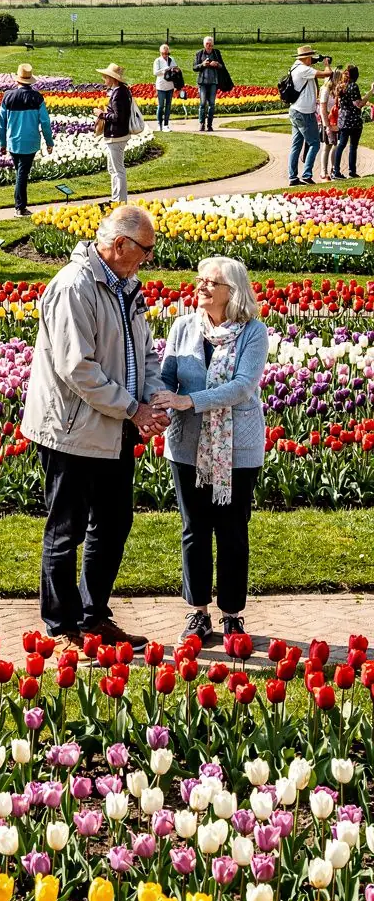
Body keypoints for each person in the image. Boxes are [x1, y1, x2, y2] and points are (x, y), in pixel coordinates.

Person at [21, 205, 168, 647]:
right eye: (145, 249)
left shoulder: (126, 287)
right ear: (120, 244)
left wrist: (154, 398)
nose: (148, 258)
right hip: (72, 429)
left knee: (113, 524)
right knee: (66, 530)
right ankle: (62, 624)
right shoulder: (74, 286)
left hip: (115, 426)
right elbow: (78, 369)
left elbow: (145, 353)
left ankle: (92, 616)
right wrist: (133, 409)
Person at [152, 256, 269, 643]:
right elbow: (166, 376)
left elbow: (242, 386)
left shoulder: (253, 332)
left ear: (232, 292)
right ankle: (198, 612)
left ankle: (232, 614)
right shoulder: (183, 326)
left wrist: (190, 401)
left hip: (236, 447)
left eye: (210, 282)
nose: (200, 286)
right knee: (194, 530)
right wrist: (159, 403)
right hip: (186, 445)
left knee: (232, 531)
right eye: (199, 280)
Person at [0, 62, 54, 217]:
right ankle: (20, 207)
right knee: (22, 174)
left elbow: (1, 123)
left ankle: (20, 205)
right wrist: (49, 142)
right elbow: (45, 122)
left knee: (20, 172)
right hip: (30, 142)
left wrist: (2, 143)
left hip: (13, 142)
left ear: (18, 80)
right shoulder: (37, 98)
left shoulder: (8, 96)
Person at [286, 45, 332, 186]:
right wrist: (327, 64)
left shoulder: (295, 66)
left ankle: (293, 177)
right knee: (314, 144)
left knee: (296, 146)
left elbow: (310, 65)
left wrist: (317, 60)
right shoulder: (304, 70)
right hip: (304, 113)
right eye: (310, 57)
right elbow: (327, 74)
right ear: (306, 58)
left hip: (295, 110)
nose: (312, 59)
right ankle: (307, 174)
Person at [95, 62, 132, 204]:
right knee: (113, 169)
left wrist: (101, 114)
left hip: (116, 136)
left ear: (113, 79)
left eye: (106, 77)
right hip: (117, 135)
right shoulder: (121, 91)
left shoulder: (118, 93)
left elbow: (117, 117)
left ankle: (120, 200)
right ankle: (116, 198)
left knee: (117, 170)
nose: (104, 79)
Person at [333, 64, 373, 180]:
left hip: (343, 120)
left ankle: (336, 170)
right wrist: (371, 91)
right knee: (353, 146)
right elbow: (359, 104)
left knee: (341, 145)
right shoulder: (353, 86)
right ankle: (351, 170)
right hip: (353, 121)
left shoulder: (342, 86)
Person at [193, 37, 224, 132]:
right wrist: (202, 65)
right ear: (204, 44)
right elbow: (194, 67)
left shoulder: (216, 53)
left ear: (213, 45)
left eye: (210, 44)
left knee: (212, 104)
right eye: (207, 44)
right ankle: (201, 124)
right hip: (203, 82)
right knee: (202, 104)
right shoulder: (199, 54)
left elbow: (222, 66)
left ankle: (209, 125)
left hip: (213, 82)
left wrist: (216, 64)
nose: (209, 46)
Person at [318, 67, 341, 180]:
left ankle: (333, 169)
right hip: (327, 120)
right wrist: (326, 125)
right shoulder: (326, 90)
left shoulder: (337, 89)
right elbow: (322, 109)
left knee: (336, 145)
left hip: (336, 120)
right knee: (327, 146)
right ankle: (323, 171)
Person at [153, 43, 177, 132]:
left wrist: (174, 70)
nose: (165, 55)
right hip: (161, 86)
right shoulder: (157, 61)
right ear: (160, 53)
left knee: (168, 105)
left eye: (167, 53)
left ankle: (166, 124)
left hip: (170, 85)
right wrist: (165, 70)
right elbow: (155, 72)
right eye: (163, 53)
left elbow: (175, 68)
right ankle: (159, 124)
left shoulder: (171, 59)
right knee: (160, 105)